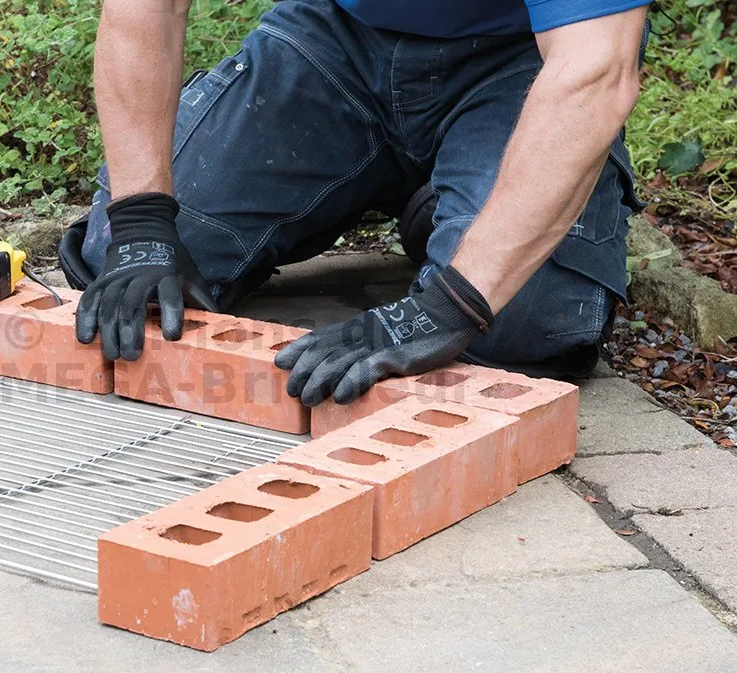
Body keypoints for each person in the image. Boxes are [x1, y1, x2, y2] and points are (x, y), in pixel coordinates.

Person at [58, 0, 650, 407]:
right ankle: (439, 200)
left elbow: (592, 70)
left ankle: (454, 212)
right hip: (340, 37)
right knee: (124, 254)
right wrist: (141, 219)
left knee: (516, 323)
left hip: (523, 63)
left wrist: (453, 305)